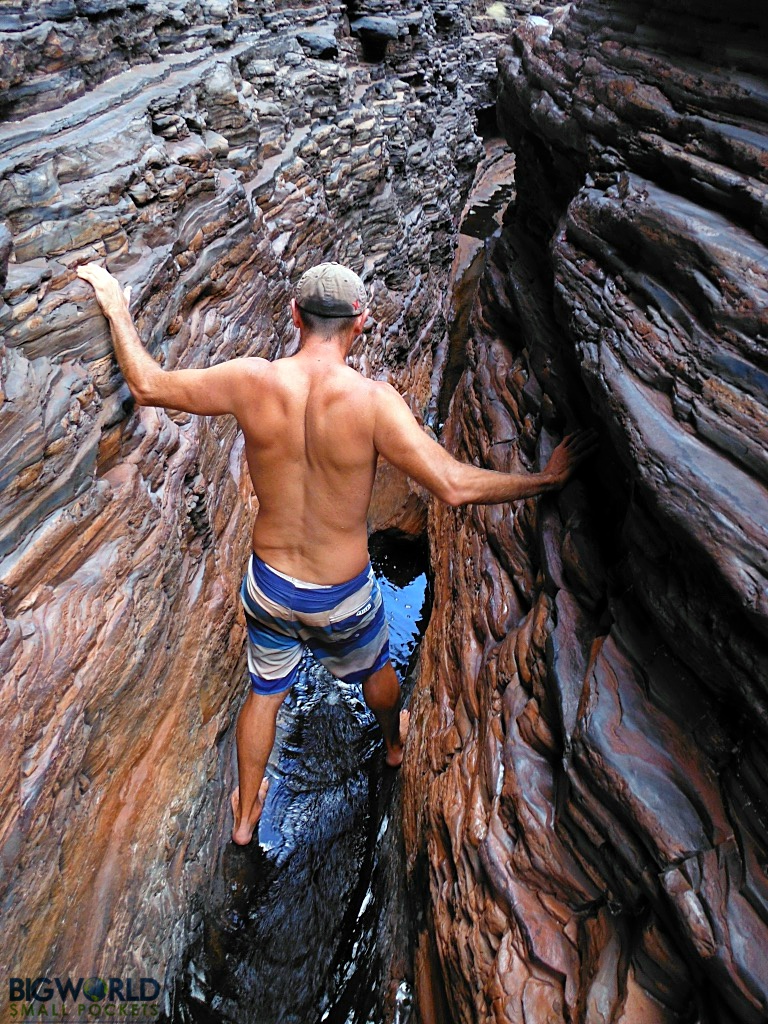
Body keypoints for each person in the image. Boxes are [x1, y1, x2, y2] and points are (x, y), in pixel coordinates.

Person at [77, 260, 597, 845]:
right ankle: (395, 746)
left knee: (265, 692)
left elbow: (148, 384)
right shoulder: (373, 403)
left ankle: (246, 819)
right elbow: (452, 485)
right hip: (341, 597)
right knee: (376, 668)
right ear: (363, 323)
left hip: (268, 585)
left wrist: (116, 307)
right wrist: (545, 481)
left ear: (295, 316)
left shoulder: (251, 380)